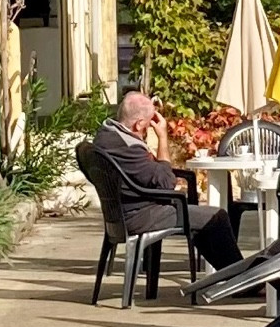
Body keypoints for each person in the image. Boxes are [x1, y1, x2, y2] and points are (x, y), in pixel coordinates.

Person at [86, 91, 243, 272]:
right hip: (140, 215)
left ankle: (229, 275)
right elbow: (167, 182)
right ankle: (243, 281)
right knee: (217, 217)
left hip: (123, 212)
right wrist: (162, 137)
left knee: (201, 220)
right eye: (147, 124)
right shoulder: (129, 148)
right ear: (139, 124)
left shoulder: (106, 135)